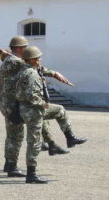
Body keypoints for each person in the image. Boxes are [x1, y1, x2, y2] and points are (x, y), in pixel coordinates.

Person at [0, 36, 70, 178]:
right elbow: (34, 67)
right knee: (17, 136)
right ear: (18, 49)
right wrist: (54, 73)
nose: (27, 50)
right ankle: (14, 166)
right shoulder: (15, 61)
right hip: (14, 105)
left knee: (13, 136)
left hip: (8, 104)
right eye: (25, 47)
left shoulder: (8, 60)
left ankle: (10, 164)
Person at [16, 46, 87, 183]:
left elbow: (42, 71)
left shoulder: (26, 70)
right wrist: (43, 104)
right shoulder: (31, 74)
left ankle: (70, 137)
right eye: (38, 58)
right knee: (34, 142)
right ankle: (31, 175)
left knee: (60, 110)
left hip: (28, 109)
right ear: (33, 60)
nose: (40, 60)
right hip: (33, 110)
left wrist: (54, 73)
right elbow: (32, 95)